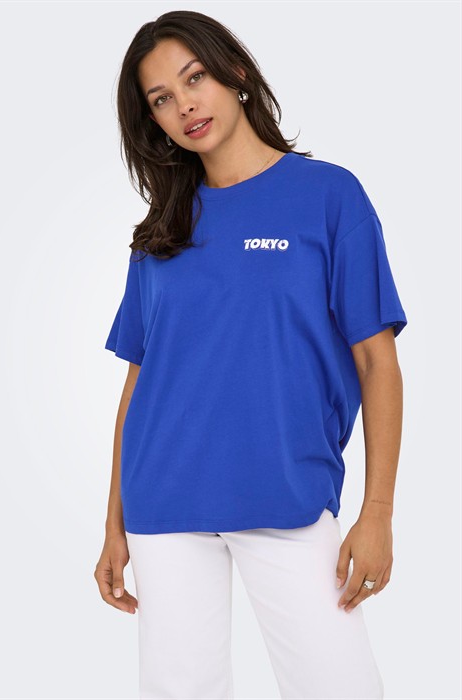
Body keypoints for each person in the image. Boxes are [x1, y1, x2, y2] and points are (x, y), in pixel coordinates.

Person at [94, 10, 407, 700]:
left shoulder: (330, 196)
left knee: (341, 687)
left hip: (288, 495)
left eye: (194, 79)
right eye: (161, 99)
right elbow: (139, 382)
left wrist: (377, 511)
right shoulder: (161, 231)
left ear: (234, 72)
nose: (184, 106)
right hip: (164, 502)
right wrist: (113, 524)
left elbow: (376, 363)